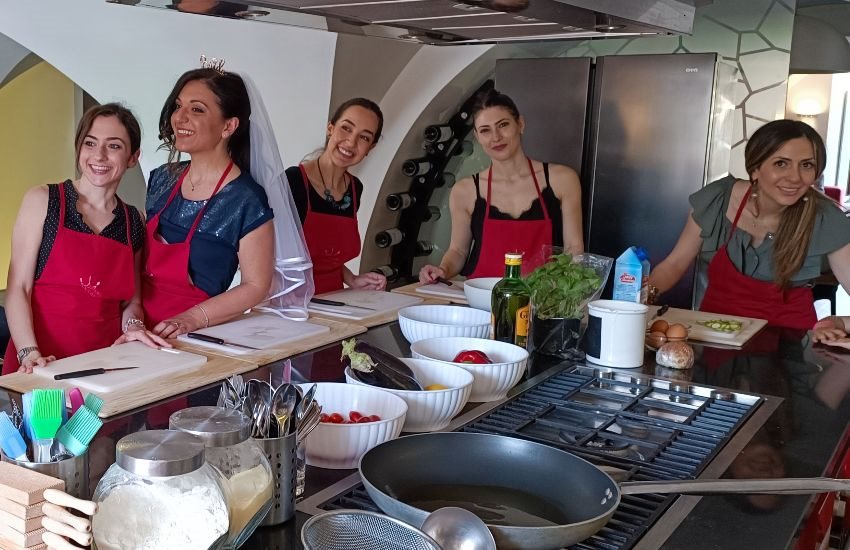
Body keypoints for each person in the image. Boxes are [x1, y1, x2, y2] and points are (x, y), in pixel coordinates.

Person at [4, 103, 167, 375]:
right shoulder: (44, 200)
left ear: (133, 157)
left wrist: (134, 327)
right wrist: (29, 352)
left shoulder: (133, 221)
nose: (99, 156)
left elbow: (131, 302)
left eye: (114, 146)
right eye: (90, 143)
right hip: (38, 360)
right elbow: (18, 288)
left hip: (104, 365)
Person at [647, 119, 850, 330]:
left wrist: (840, 323)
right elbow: (674, 264)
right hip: (713, 339)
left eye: (807, 165)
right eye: (781, 163)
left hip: (790, 349)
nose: (795, 177)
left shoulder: (826, 219)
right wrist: (636, 303)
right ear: (755, 169)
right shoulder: (718, 199)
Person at [139, 66, 275, 338]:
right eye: (178, 106)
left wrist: (192, 319)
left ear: (229, 126)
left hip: (190, 339)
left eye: (197, 109)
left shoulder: (245, 199)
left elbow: (257, 285)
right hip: (135, 329)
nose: (179, 117)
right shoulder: (161, 179)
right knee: (51, 384)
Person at [419, 88, 583, 283]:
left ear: (520, 124)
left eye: (503, 125)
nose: (495, 137)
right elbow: (458, 250)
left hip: (542, 302)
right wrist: (442, 270)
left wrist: (565, 297)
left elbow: (574, 249)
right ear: (477, 137)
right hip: (481, 302)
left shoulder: (561, 179)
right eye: (485, 130)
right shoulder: (465, 190)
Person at [286, 97, 386, 294]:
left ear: (370, 148)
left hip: (336, 301)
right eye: (346, 128)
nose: (351, 142)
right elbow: (265, 256)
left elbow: (328, 258)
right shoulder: (293, 181)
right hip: (290, 303)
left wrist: (353, 280)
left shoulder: (355, 189)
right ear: (330, 128)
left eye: (364, 137)